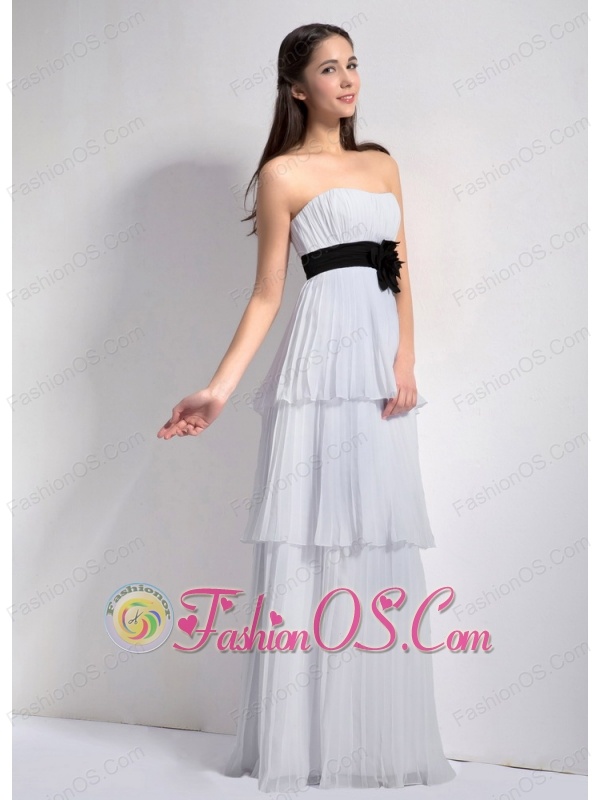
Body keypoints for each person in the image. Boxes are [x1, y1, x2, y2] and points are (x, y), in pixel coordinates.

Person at [157, 22, 457, 794]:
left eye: (352, 64)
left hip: (376, 369)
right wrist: (219, 389)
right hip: (317, 368)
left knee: (374, 527)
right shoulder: (282, 175)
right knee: (311, 530)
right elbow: (266, 295)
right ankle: (306, 742)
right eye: (330, 68)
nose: (348, 79)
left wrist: (405, 360)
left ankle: (370, 739)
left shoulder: (382, 164)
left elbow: (398, 270)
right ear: (297, 87)